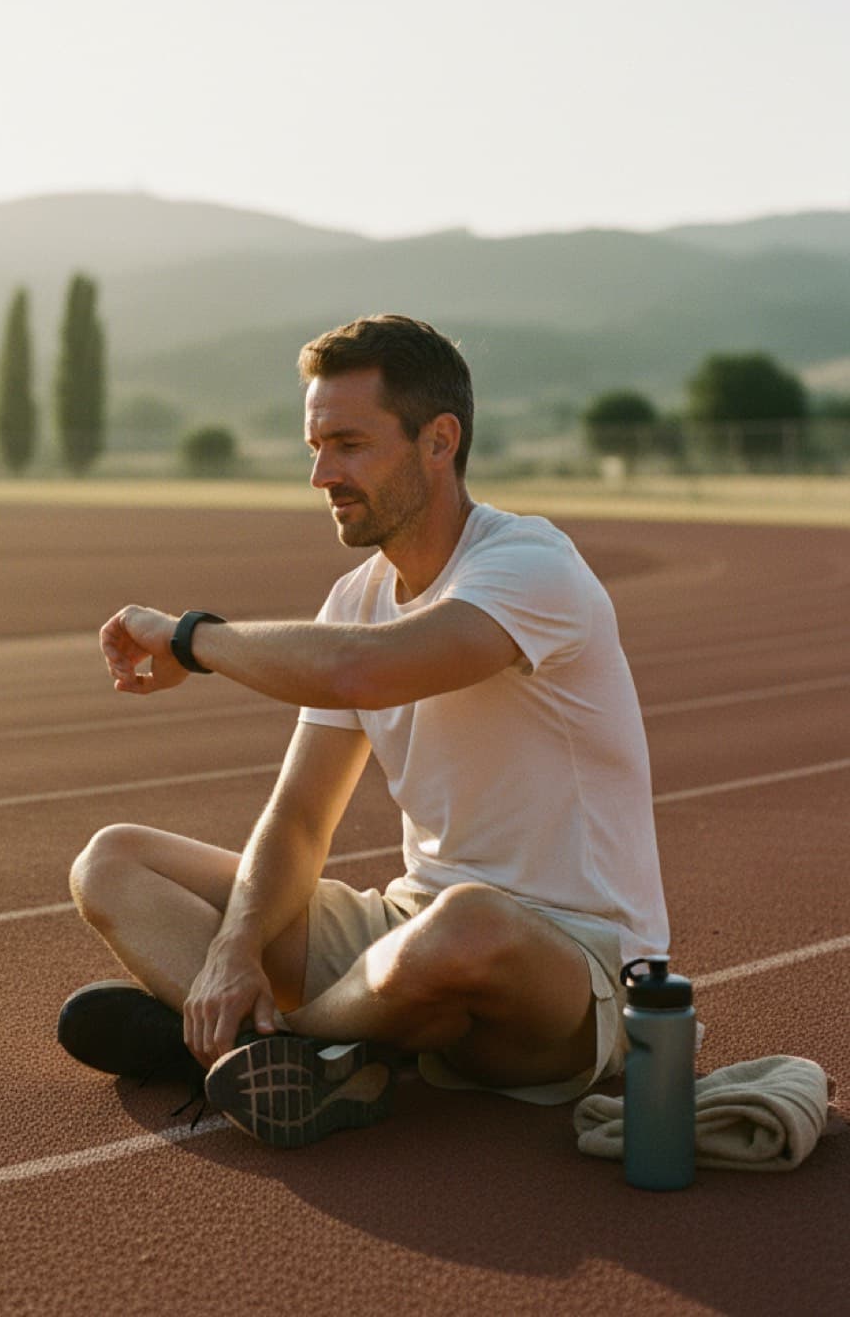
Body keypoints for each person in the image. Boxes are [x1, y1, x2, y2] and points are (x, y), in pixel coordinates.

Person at [58, 314, 670, 1149]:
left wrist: (191, 637)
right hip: (407, 936)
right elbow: (301, 817)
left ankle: (272, 1046)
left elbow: (363, 669)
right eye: (315, 447)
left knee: (471, 921)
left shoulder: (532, 566)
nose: (321, 474)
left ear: (439, 441)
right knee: (113, 861)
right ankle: (290, 1048)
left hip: (575, 971)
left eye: (348, 445)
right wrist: (235, 947)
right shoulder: (356, 596)